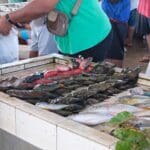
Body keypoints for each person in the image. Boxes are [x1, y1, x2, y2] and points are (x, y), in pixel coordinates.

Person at [0, 0, 112, 62]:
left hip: (89, 36)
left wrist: (9, 18)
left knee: (82, 84)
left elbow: (44, 5)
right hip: (69, 38)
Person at [102, 0, 130, 67]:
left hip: (120, 25)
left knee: (118, 48)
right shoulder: (105, 2)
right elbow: (104, 16)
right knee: (107, 47)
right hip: (108, 25)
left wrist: (112, 20)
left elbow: (124, 19)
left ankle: (118, 62)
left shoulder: (126, 1)